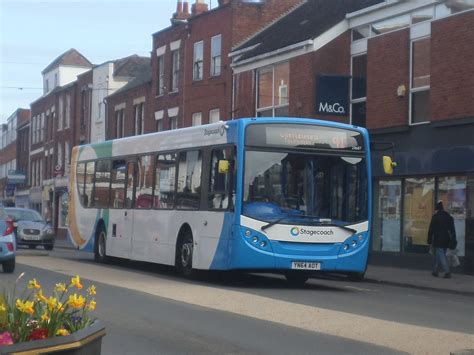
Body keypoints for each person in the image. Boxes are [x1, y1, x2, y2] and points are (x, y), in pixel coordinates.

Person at [427, 201, 457, 278]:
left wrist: (429, 240)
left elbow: (431, 229)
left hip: (438, 239)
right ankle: (435, 271)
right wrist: (453, 239)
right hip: (447, 239)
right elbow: (452, 229)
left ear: (437, 209)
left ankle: (447, 272)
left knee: (440, 254)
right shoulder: (448, 216)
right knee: (439, 254)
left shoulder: (435, 217)